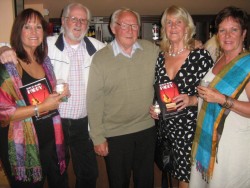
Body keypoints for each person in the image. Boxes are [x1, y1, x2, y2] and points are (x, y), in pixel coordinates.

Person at [0, 3, 105, 188]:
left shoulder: (45, 59)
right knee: (55, 177)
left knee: (86, 173)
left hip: (68, 125)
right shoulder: (46, 46)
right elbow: (9, 47)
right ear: (63, 21)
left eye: (83, 20)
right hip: (47, 125)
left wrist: (60, 94)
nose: (78, 23)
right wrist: (3, 49)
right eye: (73, 18)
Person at [87, 8, 159, 188]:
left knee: (146, 182)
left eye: (134, 26)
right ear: (113, 28)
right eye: (124, 25)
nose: (130, 30)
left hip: (146, 129)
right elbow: (94, 100)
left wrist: (193, 44)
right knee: (119, 183)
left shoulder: (151, 50)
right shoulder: (101, 59)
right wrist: (97, 137)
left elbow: (172, 63)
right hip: (115, 133)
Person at [0, 8, 70, 188]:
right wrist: (41, 107)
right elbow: (4, 114)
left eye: (38, 27)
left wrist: (60, 95)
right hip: (23, 145)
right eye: (27, 27)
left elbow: (46, 97)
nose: (34, 32)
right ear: (18, 31)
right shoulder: (8, 67)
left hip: (52, 140)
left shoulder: (44, 61)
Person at [150, 5, 213, 188]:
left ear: (187, 27)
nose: (174, 26)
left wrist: (192, 99)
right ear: (164, 29)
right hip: (166, 130)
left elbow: (213, 94)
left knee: (186, 182)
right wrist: (154, 107)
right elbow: (159, 91)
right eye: (169, 22)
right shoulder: (161, 57)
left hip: (190, 131)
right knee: (169, 176)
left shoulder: (200, 56)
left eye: (179, 22)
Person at [189, 6, 250, 188]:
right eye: (222, 30)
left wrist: (223, 100)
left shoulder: (247, 64)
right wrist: (191, 100)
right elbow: (209, 97)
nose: (227, 35)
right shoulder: (219, 59)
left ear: (244, 33)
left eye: (234, 30)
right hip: (208, 142)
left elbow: (219, 98)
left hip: (233, 148)